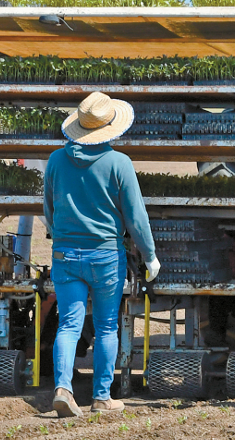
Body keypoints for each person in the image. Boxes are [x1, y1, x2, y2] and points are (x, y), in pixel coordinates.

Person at [44, 92, 160, 417]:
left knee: (68, 324)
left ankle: (63, 388)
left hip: (65, 254)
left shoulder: (55, 160)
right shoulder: (119, 163)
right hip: (106, 254)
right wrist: (150, 255)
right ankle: (101, 396)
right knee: (107, 325)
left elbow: (49, 210)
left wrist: (64, 235)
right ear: (110, 127)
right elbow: (136, 216)